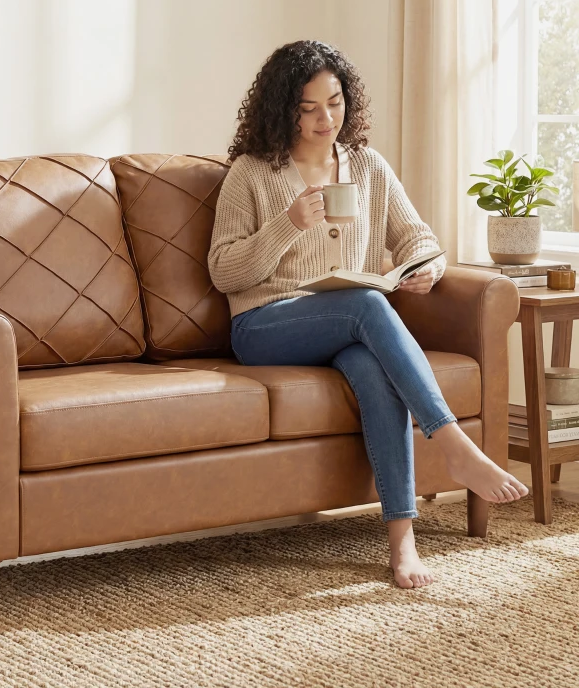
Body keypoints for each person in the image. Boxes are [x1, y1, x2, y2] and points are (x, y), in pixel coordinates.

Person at [208, 40, 529, 590]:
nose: (324, 119)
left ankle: (402, 541)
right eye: (308, 108)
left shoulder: (368, 167)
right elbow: (224, 271)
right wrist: (288, 222)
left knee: (370, 366)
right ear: (281, 109)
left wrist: (423, 266)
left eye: (333, 103)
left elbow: (419, 238)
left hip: (345, 324)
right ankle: (453, 446)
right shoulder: (252, 173)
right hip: (265, 325)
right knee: (366, 304)